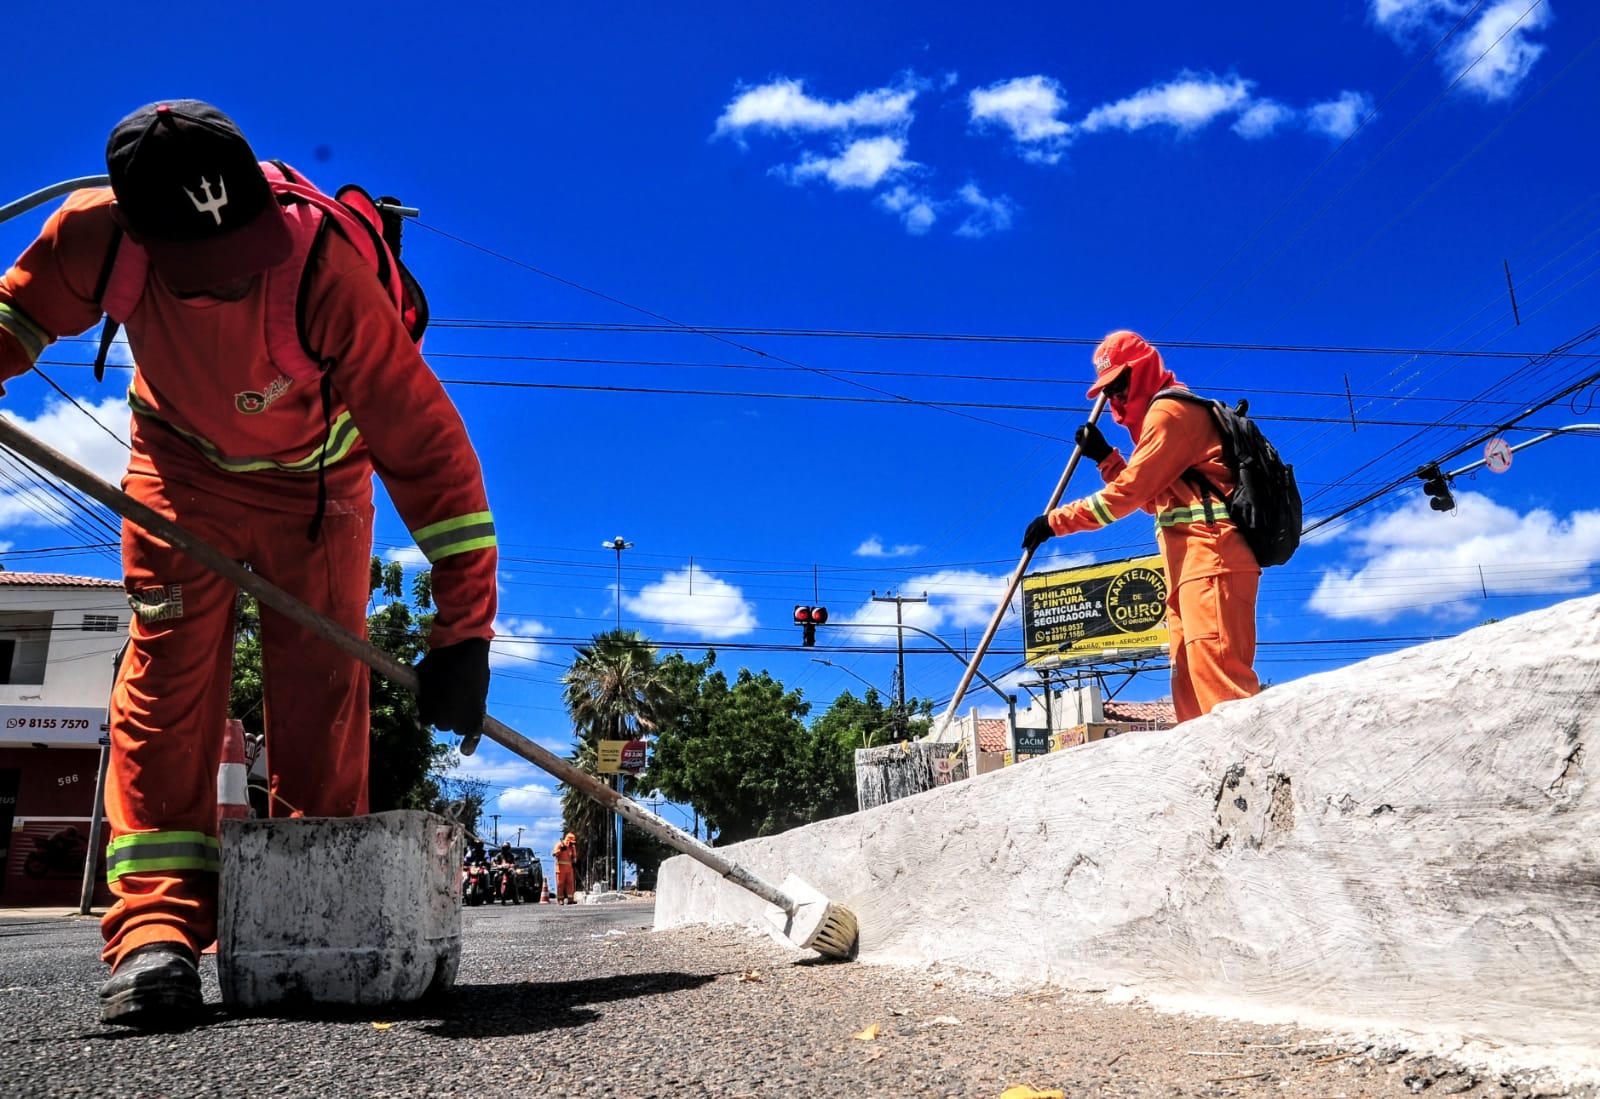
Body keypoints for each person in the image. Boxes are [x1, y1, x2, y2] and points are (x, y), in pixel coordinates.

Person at [0, 100, 498, 1028]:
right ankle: (155, 932)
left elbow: (430, 452)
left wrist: (463, 632)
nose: (232, 284)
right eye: (205, 270)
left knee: (323, 685)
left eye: (241, 252)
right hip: (179, 466)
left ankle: (311, 914)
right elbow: (16, 318)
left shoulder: (322, 262)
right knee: (169, 674)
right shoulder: (91, 238)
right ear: (140, 228)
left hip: (319, 485)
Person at [1021, 330, 1260, 723]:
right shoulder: (1161, 418)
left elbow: (1128, 495)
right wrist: (1106, 458)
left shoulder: (1169, 413)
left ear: (1144, 370)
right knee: (1191, 703)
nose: (1115, 399)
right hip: (1189, 572)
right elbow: (1152, 498)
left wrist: (1055, 522)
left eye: (1121, 384)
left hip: (1213, 562)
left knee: (1224, 699)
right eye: (1109, 391)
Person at [553, 832, 578, 905]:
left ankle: (571, 899)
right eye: (571, 842)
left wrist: (574, 860)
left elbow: (574, 858)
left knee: (570, 884)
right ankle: (560, 900)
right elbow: (554, 854)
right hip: (560, 869)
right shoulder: (559, 845)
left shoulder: (572, 847)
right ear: (567, 840)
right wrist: (560, 850)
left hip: (569, 869)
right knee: (560, 885)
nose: (572, 844)